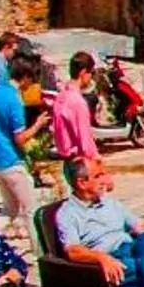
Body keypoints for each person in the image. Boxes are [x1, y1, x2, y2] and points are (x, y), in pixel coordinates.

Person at [0, 47, 42, 235]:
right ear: (25, 77)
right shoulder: (14, 101)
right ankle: (40, 252)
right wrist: (38, 125)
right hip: (11, 162)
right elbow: (20, 138)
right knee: (33, 211)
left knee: (9, 210)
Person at [48, 51, 102, 188]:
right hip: (80, 163)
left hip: (66, 161)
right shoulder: (77, 102)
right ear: (84, 72)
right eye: (91, 73)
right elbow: (85, 141)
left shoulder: (61, 97)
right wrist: (98, 164)